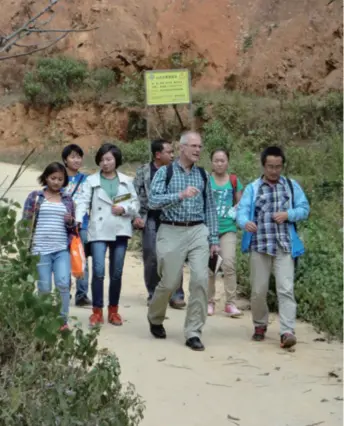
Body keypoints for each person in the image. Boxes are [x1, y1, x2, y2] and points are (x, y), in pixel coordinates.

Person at [147, 131, 220, 351]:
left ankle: (193, 332)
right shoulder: (165, 173)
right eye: (194, 146)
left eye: (200, 146)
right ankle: (155, 316)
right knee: (169, 282)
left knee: (199, 280)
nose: (198, 150)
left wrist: (213, 239)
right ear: (182, 148)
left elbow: (210, 208)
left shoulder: (204, 175)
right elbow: (152, 201)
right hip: (171, 230)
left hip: (198, 230)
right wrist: (179, 195)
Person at [236, 146, 310, 349]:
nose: (274, 171)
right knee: (258, 291)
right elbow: (241, 211)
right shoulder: (253, 188)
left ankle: (287, 331)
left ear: (282, 166)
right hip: (259, 246)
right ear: (263, 165)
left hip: (284, 246)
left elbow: (304, 209)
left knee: (286, 289)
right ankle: (260, 324)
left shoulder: (291, 186)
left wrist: (288, 215)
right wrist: (245, 223)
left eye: (278, 166)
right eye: (270, 166)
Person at [75, 143, 139, 327]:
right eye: (102, 159)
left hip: (120, 230)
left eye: (109, 159)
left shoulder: (126, 181)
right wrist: (79, 221)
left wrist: (124, 208)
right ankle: (96, 311)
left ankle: (113, 310)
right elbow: (82, 202)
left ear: (116, 160)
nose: (105, 163)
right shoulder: (91, 181)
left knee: (116, 273)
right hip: (99, 231)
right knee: (98, 271)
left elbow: (135, 205)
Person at [22, 162, 76, 330]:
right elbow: (25, 221)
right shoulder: (35, 197)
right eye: (53, 178)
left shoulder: (68, 200)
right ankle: (44, 318)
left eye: (60, 179)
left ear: (64, 181)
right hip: (40, 250)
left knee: (63, 283)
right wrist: (25, 245)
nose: (56, 182)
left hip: (61, 249)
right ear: (46, 177)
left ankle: (62, 320)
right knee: (44, 286)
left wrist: (70, 222)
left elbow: (73, 227)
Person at [133, 139, 185, 308]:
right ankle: (153, 293)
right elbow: (134, 194)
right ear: (158, 154)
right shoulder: (143, 171)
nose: (172, 155)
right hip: (150, 217)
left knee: (174, 256)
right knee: (151, 256)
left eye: (172, 152)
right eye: (169, 152)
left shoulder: (178, 171)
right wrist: (136, 216)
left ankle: (176, 294)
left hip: (173, 218)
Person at [208, 148, 244, 317]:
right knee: (210, 268)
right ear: (211, 163)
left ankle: (230, 303)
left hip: (228, 228)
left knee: (229, 264)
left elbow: (241, 203)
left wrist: (235, 212)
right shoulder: (206, 180)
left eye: (222, 160)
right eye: (216, 160)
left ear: (228, 161)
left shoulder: (234, 181)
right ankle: (209, 302)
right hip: (209, 229)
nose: (219, 163)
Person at [62, 143, 91, 306]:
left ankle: (82, 294)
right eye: (73, 156)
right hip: (62, 226)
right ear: (65, 160)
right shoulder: (58, 177)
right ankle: (65, 291)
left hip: (82, 225)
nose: (76, 160)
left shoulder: (86, 179)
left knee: (82, 257)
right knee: (63, 258)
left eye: (79, 157)